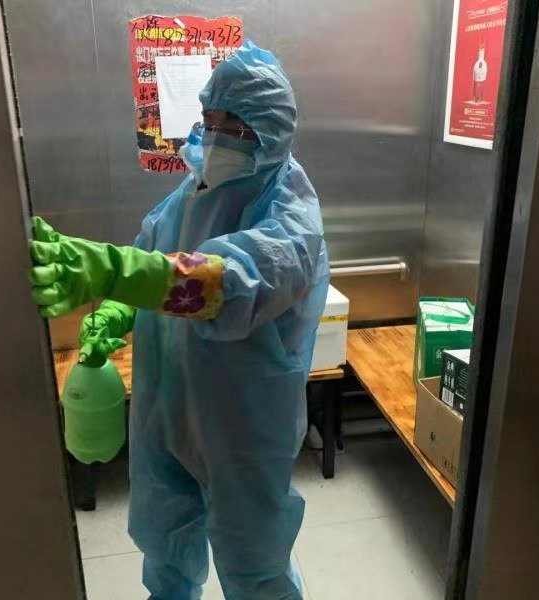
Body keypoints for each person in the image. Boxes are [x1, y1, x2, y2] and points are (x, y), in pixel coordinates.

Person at [28, 41, 329, 600]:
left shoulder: (291, 216)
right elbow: (153, 256)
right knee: (165, 540)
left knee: (253, 560)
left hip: (241, 420)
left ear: (271, 131)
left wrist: (111, 272)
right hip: (166, 405)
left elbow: (228, 283)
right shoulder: (191, 191)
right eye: (209, 120)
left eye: (233, 126)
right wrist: (117, 309)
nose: (215, 136)